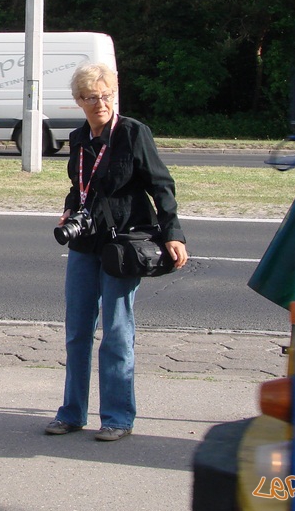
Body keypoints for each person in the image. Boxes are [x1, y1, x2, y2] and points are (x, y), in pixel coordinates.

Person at [45, 62, 188, 441]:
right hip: (85, 243)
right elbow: (79, 186)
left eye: (106, 95)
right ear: (79, 101)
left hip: (123, 245)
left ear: (114, 95)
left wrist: (173, 233)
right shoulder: (78, 138)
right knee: (77, 330)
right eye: (92, 97)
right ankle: (71, 412)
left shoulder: (132, 133)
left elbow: (161, 184)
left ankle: (117, 418)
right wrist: (70, 206)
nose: (100, 103)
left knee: (116, 332)